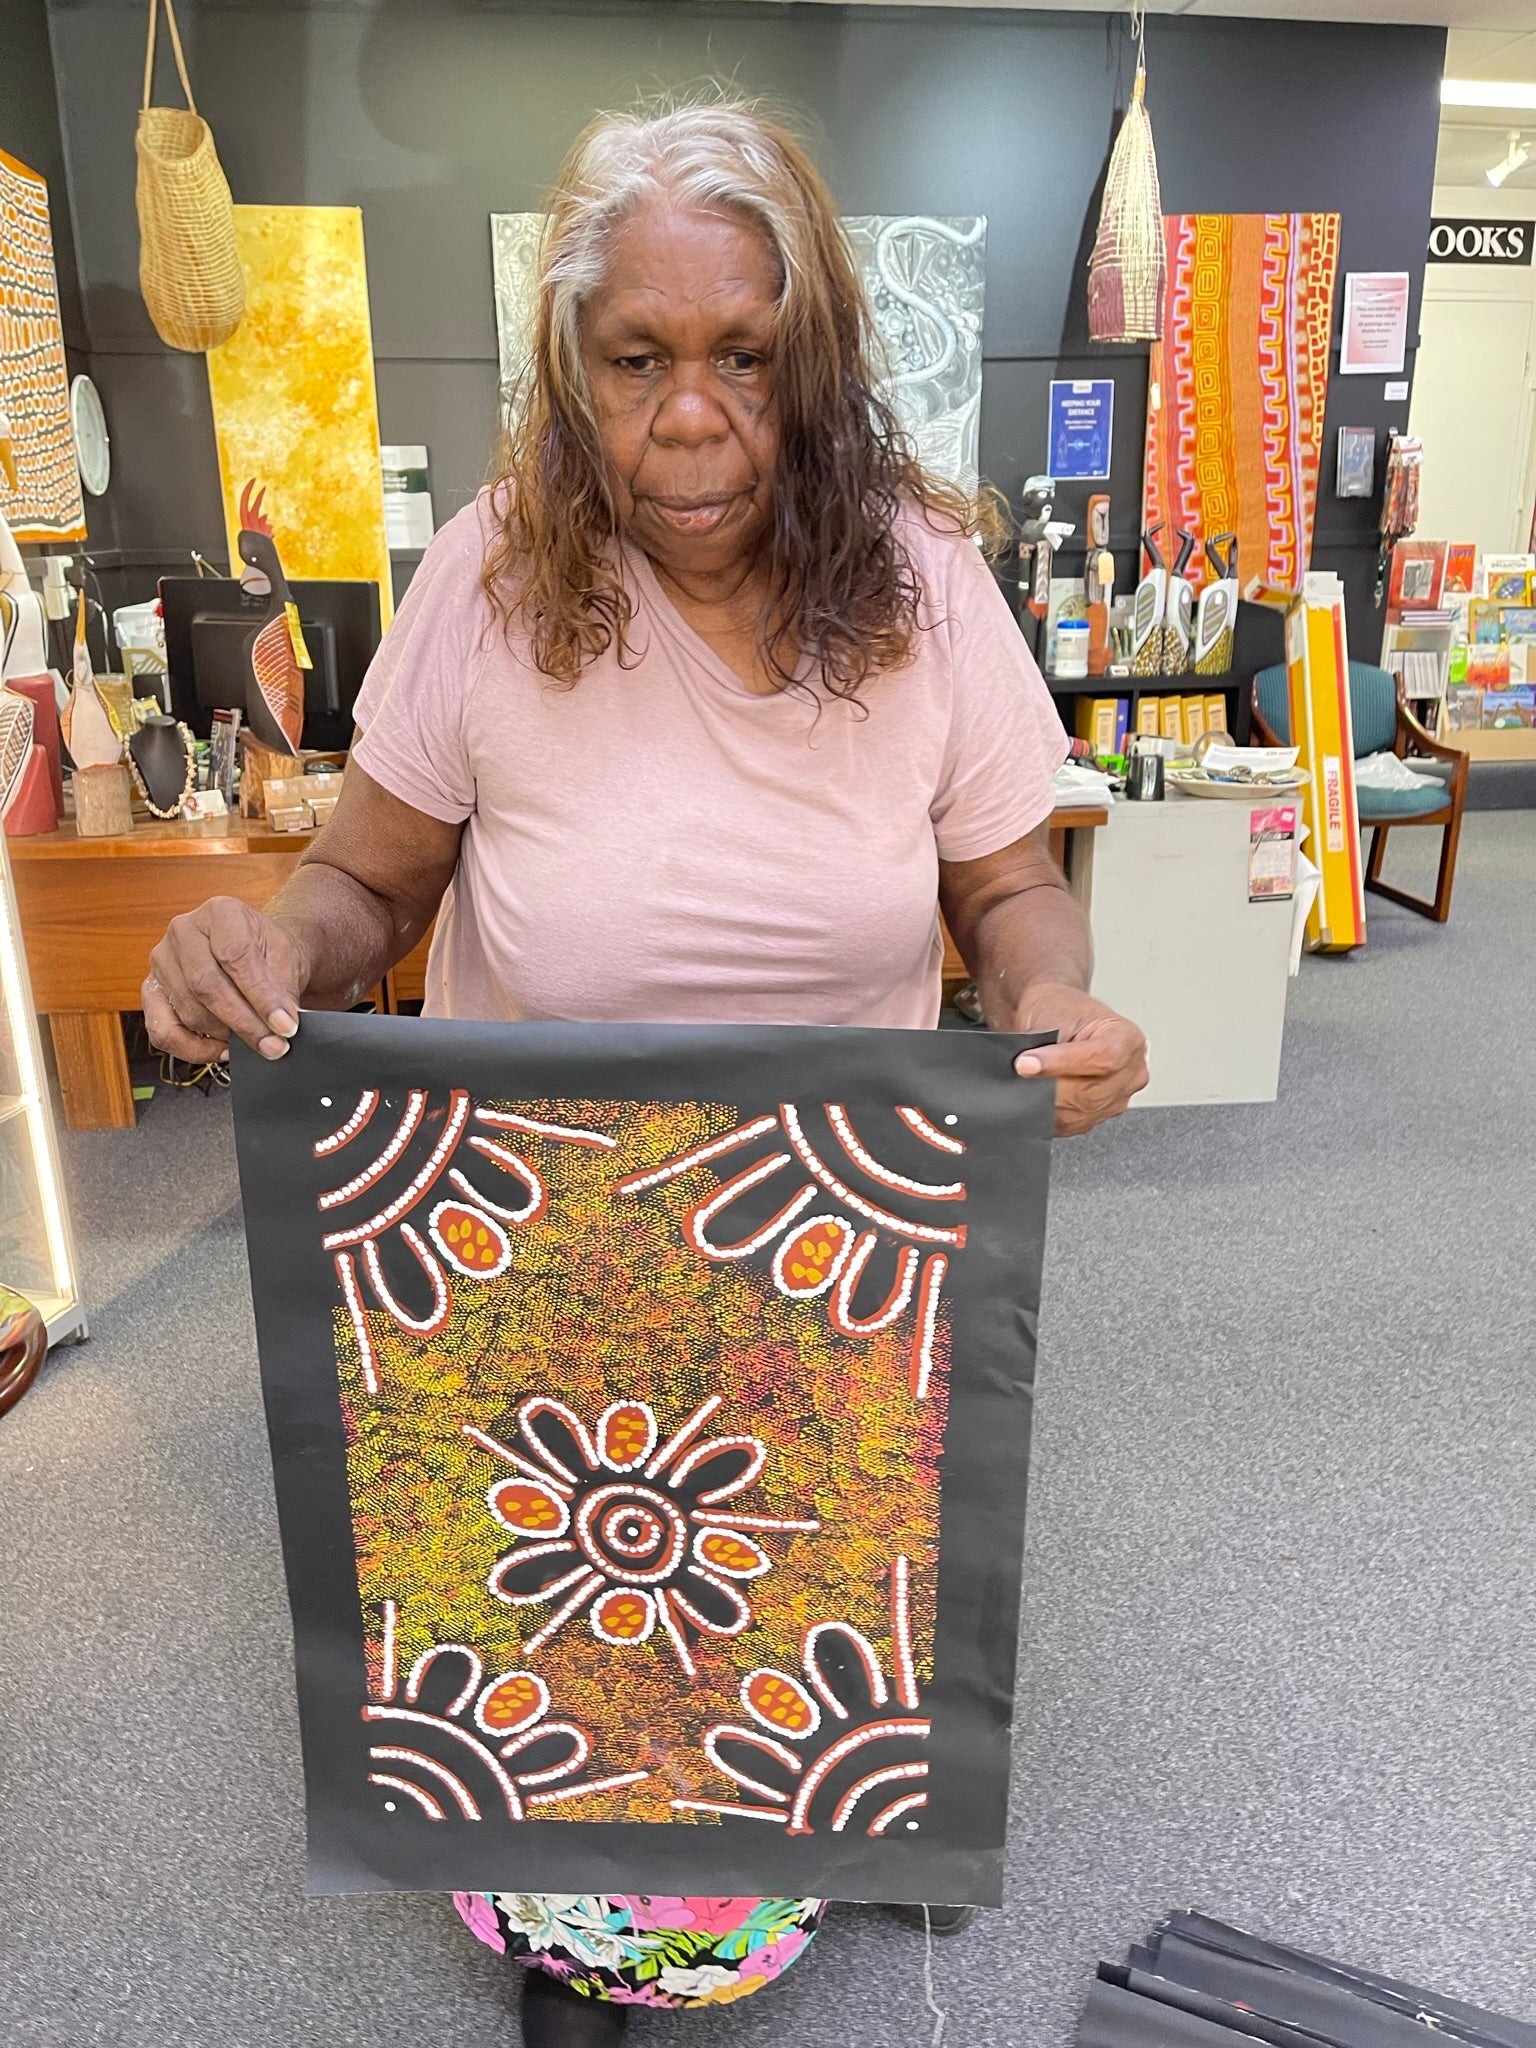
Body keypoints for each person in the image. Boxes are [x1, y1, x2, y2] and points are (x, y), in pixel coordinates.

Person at [145, 96, 1147, 2045]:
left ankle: (817, 1815)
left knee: (794, 1591)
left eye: (745, 358)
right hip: (526, 1245)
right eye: (637, 360)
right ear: (572, 368)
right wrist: (270, 942)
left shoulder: (926, 583)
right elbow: (371, 881)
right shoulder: (492, 578)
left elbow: (1009, 883)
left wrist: (1054, 996)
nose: (692, 417)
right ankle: (577, 1924)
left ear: (817, 358)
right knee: (567, 1605)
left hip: (822, 1239)